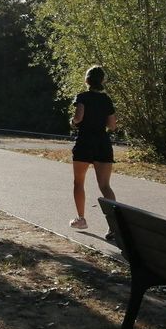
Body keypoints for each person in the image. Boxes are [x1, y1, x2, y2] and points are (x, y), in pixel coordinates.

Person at [69, 65, 117, 233]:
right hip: (102, 144)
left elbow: (78, 117)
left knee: (79, 182)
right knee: (105, 186)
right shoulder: (106, 100)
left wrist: (72, 122)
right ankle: (114, 226)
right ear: (102, 81)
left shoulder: (82, 97)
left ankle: (81, 219)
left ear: (87, 80)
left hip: (84, 143)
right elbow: (112, 126)